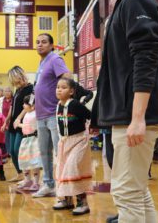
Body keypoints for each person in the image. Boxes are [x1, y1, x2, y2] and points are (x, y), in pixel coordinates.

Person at [93, 0, 158, 222]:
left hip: (135, 117)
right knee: (136, 193)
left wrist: (138, 117)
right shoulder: (126, 2)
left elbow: (146, 58)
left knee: (126, 194)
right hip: (126, 115)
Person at [32, 33, 71, 198]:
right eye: (38, 42)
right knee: (45, 152)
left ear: (51, 45)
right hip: (41, 115)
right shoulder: (42, 63)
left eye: (44, 42)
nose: (40, 45)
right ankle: (48, 184)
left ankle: (65, 185)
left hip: (53, 114)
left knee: (60, 152)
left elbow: (67, 78)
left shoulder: (55, 59)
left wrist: (62, 102)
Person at [53, 78, 92, 216]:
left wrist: (92, 129)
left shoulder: (75, 105)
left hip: (79, 141)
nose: (59, 89)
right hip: (65, 142)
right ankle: (67, 200)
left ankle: (83, 202)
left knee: (73, 168)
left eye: (63, 87)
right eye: (57, 87)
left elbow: (89, 116)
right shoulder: (58, 105)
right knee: (62, 170)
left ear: (71, 91)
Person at [3, 66, 33, 182]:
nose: (14, 83)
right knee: (11, 150)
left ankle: (27, 176)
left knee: (17, 150)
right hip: (13, 124)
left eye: (14, 80)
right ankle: (20, 174)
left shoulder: (31, 88)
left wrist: (19, 118)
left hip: (22, 124)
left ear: (19, 76)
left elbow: (29, 105)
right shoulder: (17, 90)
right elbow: (12, 106)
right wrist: (6, 120)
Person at [16, 95, 42, 191]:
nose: (23, 105)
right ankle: (27, 180)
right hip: (25, 139)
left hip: (33, 140)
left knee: (34, 161)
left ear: (33, 106)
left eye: (26, 103)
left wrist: (18, 124)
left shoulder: (35, 114)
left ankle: (36, 182)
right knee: (24, 160)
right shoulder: (27, 113)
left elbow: (28, 126)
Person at [2, 87, 13, 156]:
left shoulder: (13, 100)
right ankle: (6, 152)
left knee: (10, 137)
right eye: (5, 91)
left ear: (11, 92)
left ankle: (10, 152)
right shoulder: (1, 100)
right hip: (3, 121)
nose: (7, 92)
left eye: (8, 91)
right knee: (5, 137)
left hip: (11, 121)